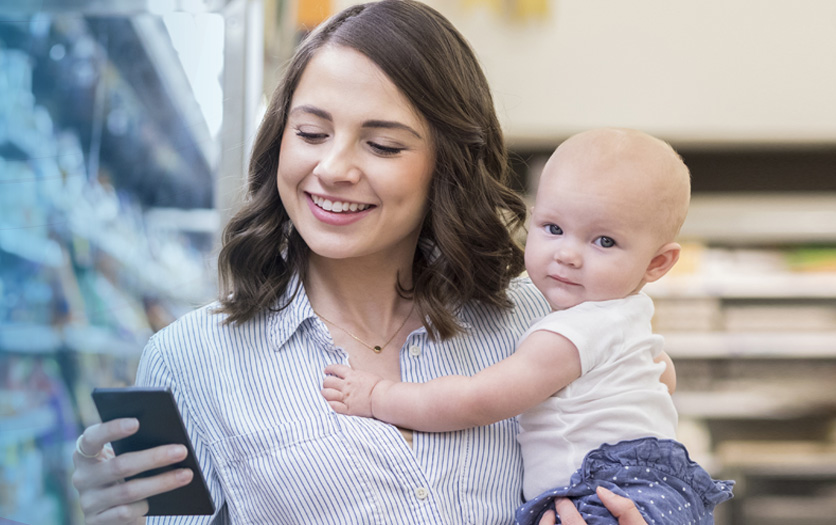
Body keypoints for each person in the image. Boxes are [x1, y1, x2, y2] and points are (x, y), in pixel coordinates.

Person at [68, 2, 655, 524]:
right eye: (312, 132)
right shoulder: (191, 359)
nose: (334, 168)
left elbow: (647, 458)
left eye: (382, 145)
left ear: (447, 163)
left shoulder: (537, 320)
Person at [321, 129, 732, 525]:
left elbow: (476, 401)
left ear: (657, 263)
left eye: (603, 241)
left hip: (601, 497)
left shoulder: (568, 336)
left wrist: (380, 397)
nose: (567, 254)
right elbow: (665, 378)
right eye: (553, 229)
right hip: (660, 493)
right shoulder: (630, 315)